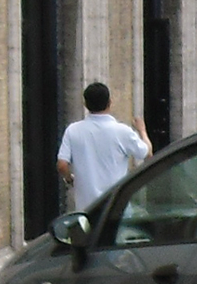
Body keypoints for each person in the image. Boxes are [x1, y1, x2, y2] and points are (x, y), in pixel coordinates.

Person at [56, 81, 153, 210]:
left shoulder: (73, 130)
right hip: (115, 206)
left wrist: (70, 179)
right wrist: (142, 130)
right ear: (110, 102)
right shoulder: (122, 131)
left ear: (85, 104)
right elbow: (148, 153)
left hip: (86, 209)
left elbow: (62, 165)